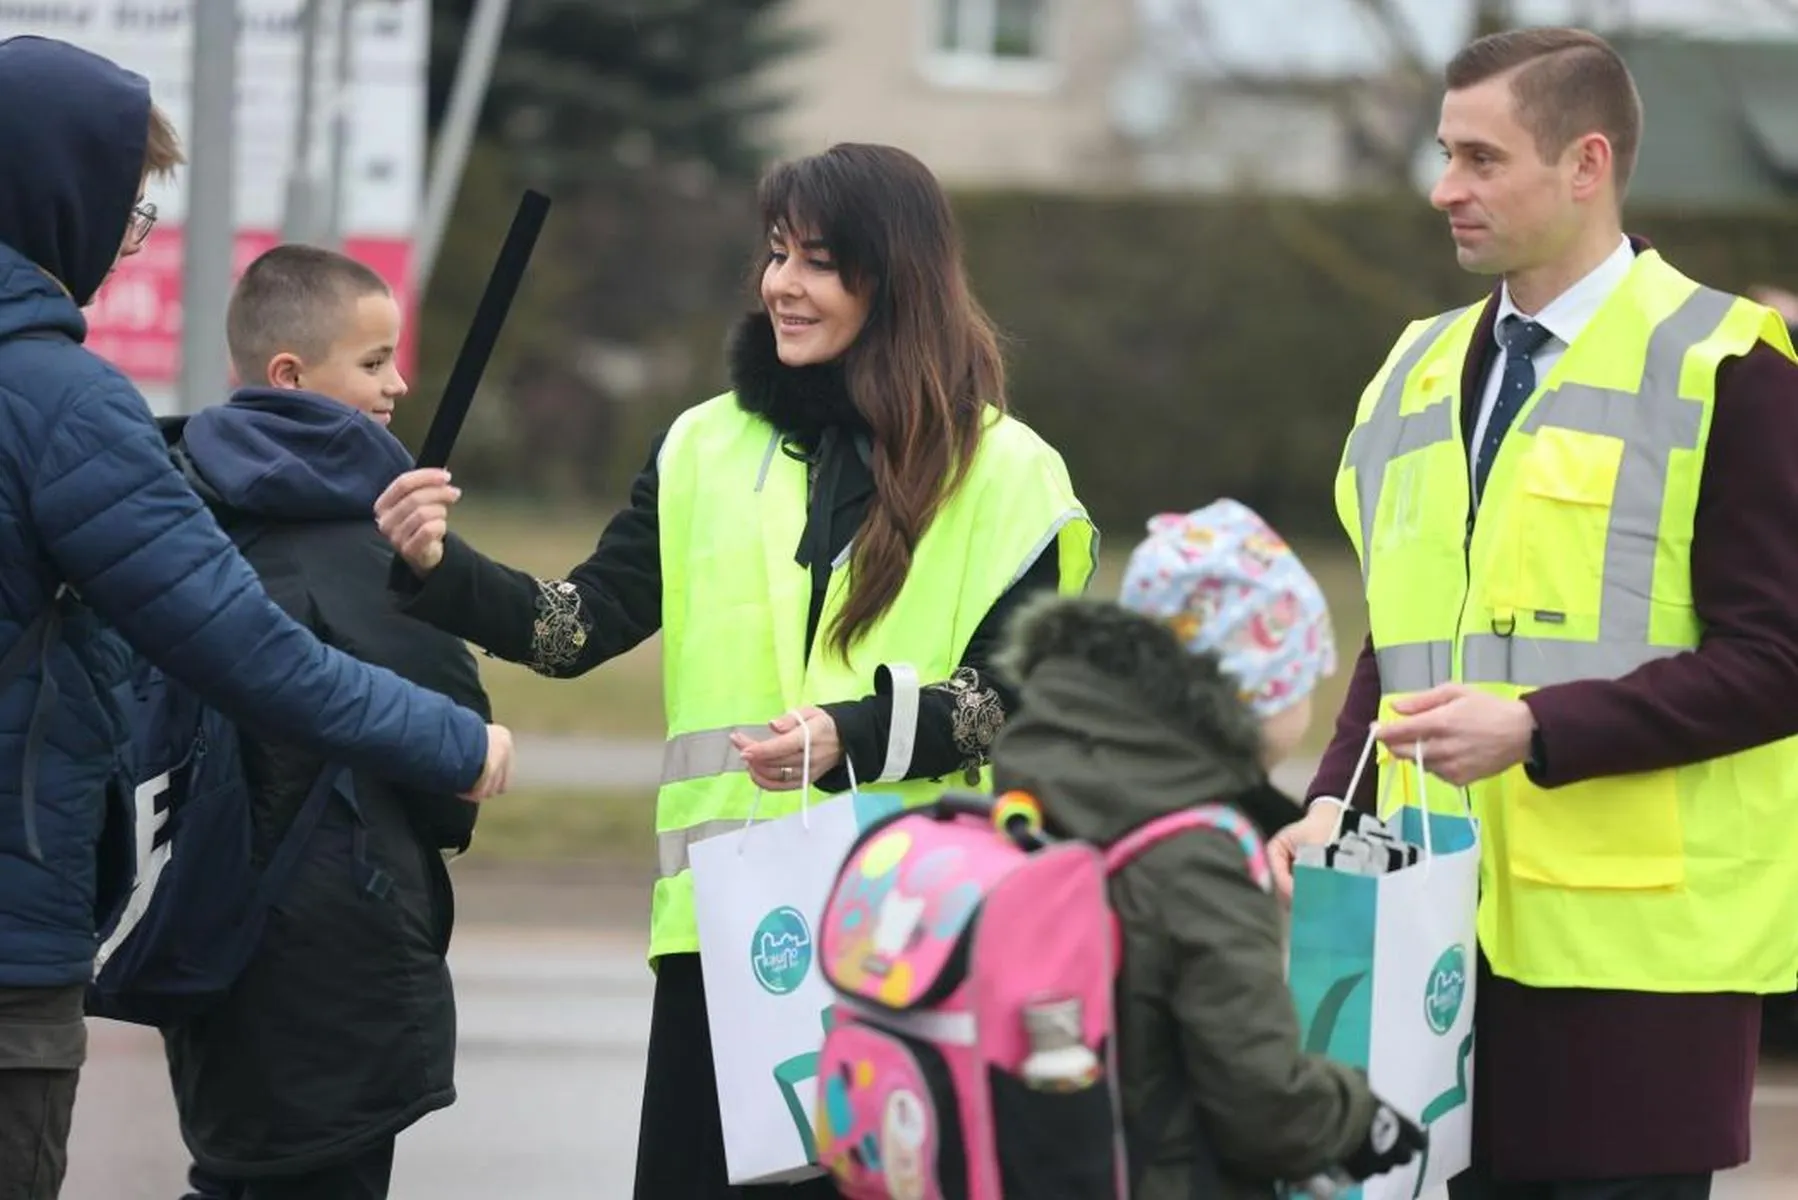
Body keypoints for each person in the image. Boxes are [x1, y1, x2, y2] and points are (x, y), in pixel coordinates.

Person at [372, 142, 1097, 1197]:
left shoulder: (1014, 475)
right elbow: (577, 628)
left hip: (916, 933)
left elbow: (1003, 699)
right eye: (773, 254)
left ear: (891, 278)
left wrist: (845, 736)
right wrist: (445, 570)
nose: (780, 286)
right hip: (724, 933)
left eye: (816, 261)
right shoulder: (699, 448)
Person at [1270, 27, 1798, 1200]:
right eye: (1444, 153)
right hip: (1422, 952)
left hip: (1630, 995)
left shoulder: (1730, 365)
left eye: (1478, 157)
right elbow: (1398, 640)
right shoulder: (1411, 367)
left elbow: (1779, 661)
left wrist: (1538, 728)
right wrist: (1326, 803)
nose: (1441, 187)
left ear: (1584, 164)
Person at [0, 37, 513, 1197]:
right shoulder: (60, 404)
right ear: (56, 193)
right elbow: (247, 651)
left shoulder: (148, 450)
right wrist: (460, 742)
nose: (122, 241)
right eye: (122, 210)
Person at [156, 244, 488, 1200]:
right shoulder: (362, 533)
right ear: (292, 375)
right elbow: (452, 741)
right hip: (343, 946)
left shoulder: (178, 505)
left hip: (204, 923)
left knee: (233, 1172)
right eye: (375, 362)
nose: (400, 384)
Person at [989, 499, 1426, 1200]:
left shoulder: (1054, 773)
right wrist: (1357, 1120)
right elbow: (1260, 1096)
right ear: (1254, 691)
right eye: (1305, 678)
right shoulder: (1198, 851)